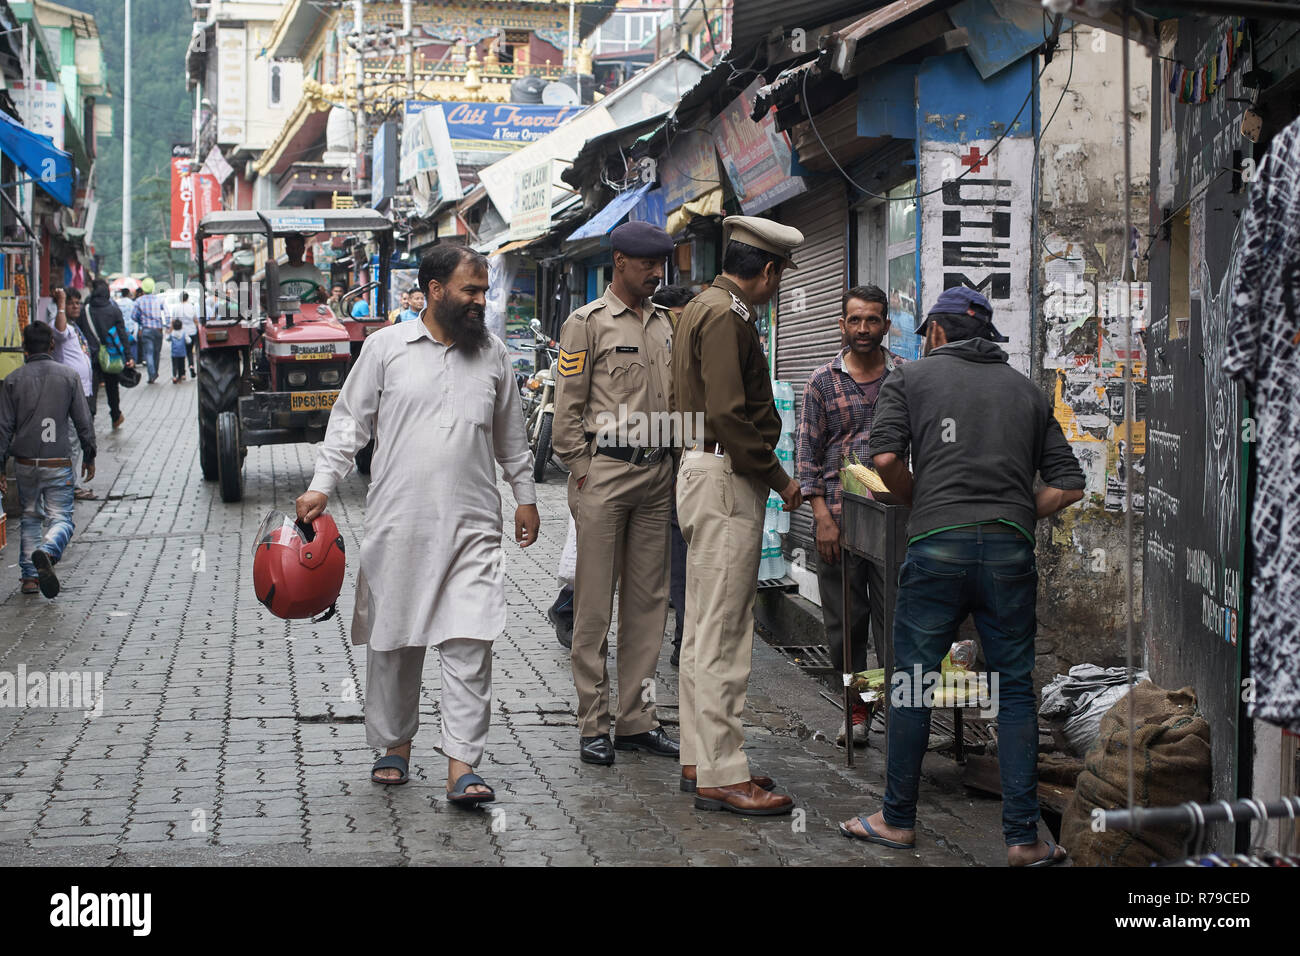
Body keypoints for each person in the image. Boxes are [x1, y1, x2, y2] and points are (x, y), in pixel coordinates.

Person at [841, 287, 1085, 866]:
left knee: (911, 683)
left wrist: (923, 502)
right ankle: (1024, 839)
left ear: (936, 333)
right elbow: (1069, 482)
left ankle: (896, 820)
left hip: (936, 551)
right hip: (1008, 555)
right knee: (1015, 694)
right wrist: (1018, 514)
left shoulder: (912, 378)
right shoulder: (1026, 391)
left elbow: (882, 459)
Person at [296, 245, 539, 802]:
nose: (481, 301)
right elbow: (348, 423)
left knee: (470, 642)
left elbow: (511, 435)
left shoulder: (495, 354)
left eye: (483, 291)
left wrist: (525, 495)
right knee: (394, 641)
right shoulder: (386, 348)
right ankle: (394, 745)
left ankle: (462, 765)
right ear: (434, 291)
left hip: (475, 525)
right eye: (470, 291)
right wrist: (321, 485)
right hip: (398, 521)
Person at [670, 215, 804, 815]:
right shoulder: (727, 315)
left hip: (704, 471)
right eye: (780, 277)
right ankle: (723, 772)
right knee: (723, 631)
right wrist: (780, 478)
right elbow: (728, 412)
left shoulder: (703, 305)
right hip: (726, 476)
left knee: (703, 626)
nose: (778, 288)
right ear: (768, 271)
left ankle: (701, 758)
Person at [553, 221, 680, 767]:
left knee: (649, 607)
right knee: (593, 605)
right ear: (620, 260)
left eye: (662, 264)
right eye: (649, 264)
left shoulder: (668, 324)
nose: (657, 273)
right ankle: (592, 722)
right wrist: (582, 473)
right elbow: (567, 411)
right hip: (605, 473)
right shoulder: (586, 324)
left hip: (658, 477)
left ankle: (635, 720)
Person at [796, 284, 907, 747]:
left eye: (873, 320)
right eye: (855, 320)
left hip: (892, 519)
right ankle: (856, 713)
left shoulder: (905, 377)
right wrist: (820, 514)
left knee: (896, 621)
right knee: (845, 622)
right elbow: (808, 454)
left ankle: (900, 716)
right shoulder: (822, 381)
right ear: (842, 324)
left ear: (885, 325)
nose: (864, 329)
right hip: (838, 521)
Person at [0, 321, 96, 597]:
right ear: (52, 345)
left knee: (31, 517)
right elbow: (83, 420)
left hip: (26, 463)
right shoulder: (68, 376)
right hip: (57, 461)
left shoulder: (13, 381)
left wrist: (0, 468)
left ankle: (29, 578)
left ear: (24, 348)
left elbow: (3, 427)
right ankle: (48, 549)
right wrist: (89, 455)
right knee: (62, 519)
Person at [650, 283, 694, 667]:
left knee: (682, 559)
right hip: (639, 472)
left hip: (684, 473)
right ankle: (569, 607)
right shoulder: (649, 350)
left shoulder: (694, 351)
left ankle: (683, 640)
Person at [42, 288, 96, 500]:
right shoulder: (59, 325)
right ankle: (72, 486)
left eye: (77, 303)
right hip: (69, 392)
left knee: (75, 439)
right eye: (71, 303)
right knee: (72, 439)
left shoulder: (75, 327)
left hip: (81, 390)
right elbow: (61, 331)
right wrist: (61, 302)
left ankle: (71, 482)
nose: (76, 307)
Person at [85, 279, 135, 428]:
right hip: (111, 356)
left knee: (91, 389)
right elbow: (122, 334)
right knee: (112, 387)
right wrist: (129, 356)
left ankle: (90, 418)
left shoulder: (85, 310)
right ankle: (115, 415)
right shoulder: (114, 310)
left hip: (91, 357)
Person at [131, 277, 169, 384]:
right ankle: (154, 373)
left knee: (148, 353)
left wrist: (140, 321)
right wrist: (168, 326)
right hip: (158, 330)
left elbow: (133, 316)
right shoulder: (159, 300)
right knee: (156, 353)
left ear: (143, 289)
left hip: (146, 330)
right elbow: (167, 313)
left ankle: (152, 374)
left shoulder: (139, 301)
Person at [277, 234, 327, 303]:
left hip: (309, 310)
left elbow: (324, 296)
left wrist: (321, 293)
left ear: (303, 249)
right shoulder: (277, 272)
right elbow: (267, 294)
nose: (295, 251)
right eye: (292, 248)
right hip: (284, 309)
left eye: (298, 248)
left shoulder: (314, 270)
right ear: (287, 250)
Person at [175, 291, 199, 377]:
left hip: (181, 333)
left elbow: (174, 321)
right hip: (192, 332)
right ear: (187, 298)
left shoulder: (177, 307)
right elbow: (195, 320)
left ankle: (182, 373)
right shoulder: (191, 307)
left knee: (181, 353)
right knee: (190, 352)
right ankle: (191, 366)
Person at [168, 318, 188, 383]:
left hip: (174, 353)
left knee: (175, 365)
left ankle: (174, 376)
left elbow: (167, 338)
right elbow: (189, 340)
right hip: (182, 352)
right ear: (181, 326)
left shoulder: (172, 333)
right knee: (181, 364)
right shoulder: (184, 333)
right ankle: (181, 375)